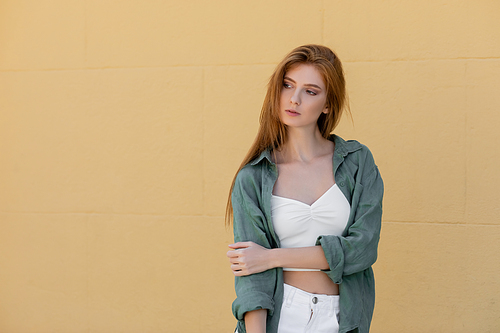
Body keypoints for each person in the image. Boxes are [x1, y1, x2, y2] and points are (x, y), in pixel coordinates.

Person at [225, 44, 384, 333]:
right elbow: (252, 280)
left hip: (342, 317)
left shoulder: (357, 163)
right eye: (287, 85)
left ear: (327, 104)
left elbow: (363, 249)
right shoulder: (253, 177)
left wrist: (271, 256)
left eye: (310, 91)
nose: (294, 99)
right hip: (281, 316)